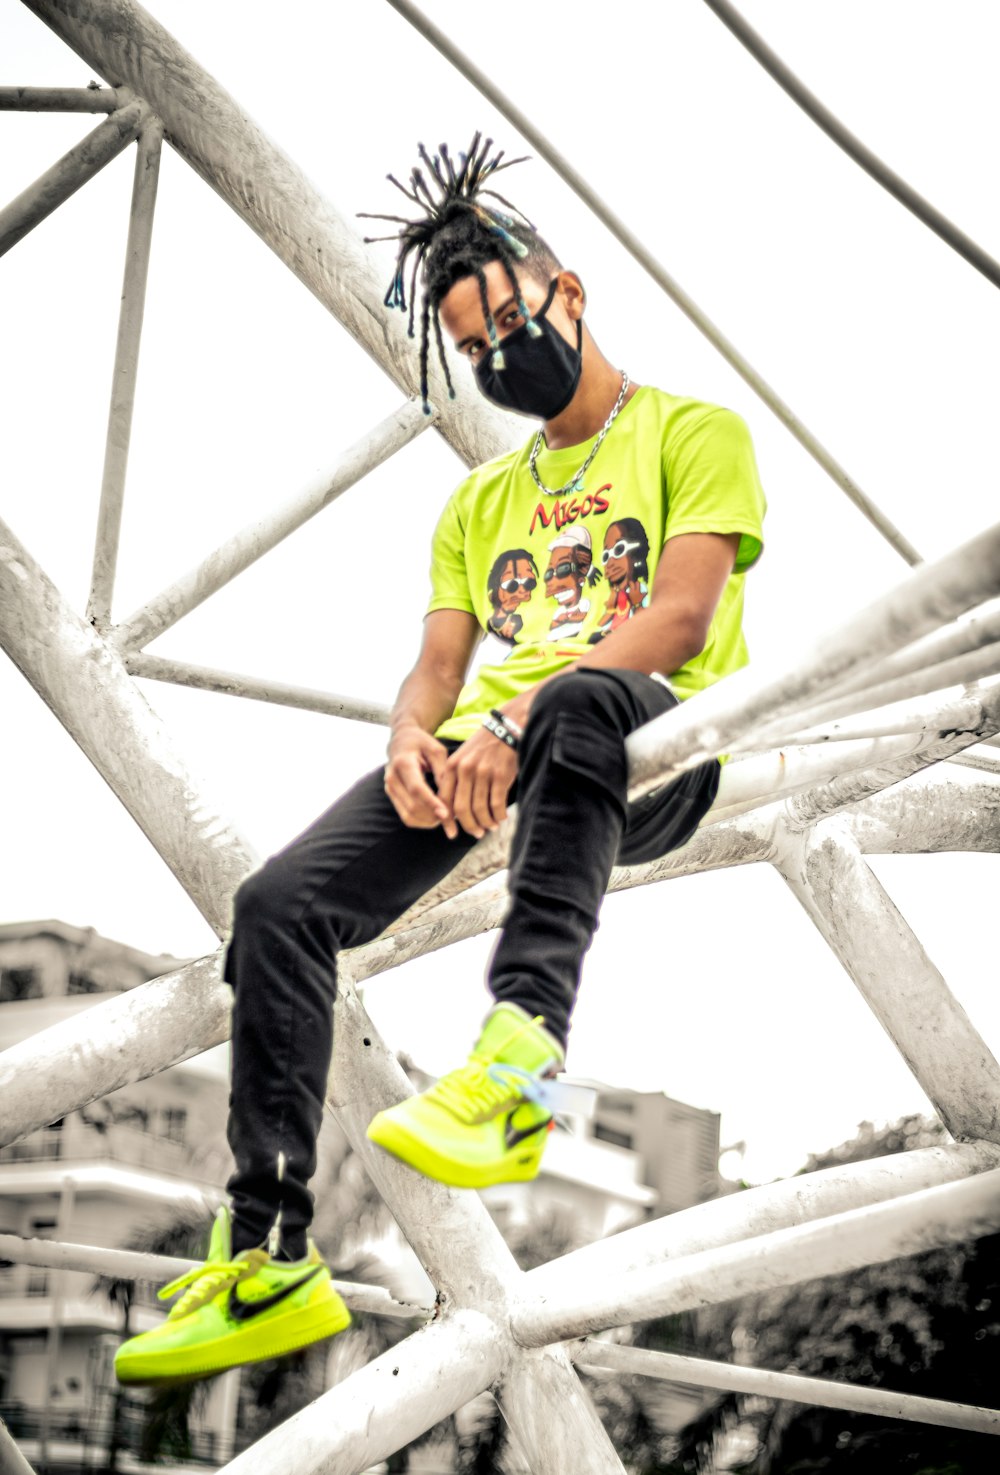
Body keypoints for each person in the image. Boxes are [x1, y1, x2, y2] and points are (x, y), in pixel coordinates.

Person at [114, 135, 766, 1387]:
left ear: (567, 290)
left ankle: (515, 1057)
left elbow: (680, 617)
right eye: (473, 350)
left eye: (508, 323)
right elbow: (438, 662)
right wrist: (417, 737)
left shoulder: (695, 431)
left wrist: (513, 725)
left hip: (654, 740)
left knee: (575, 697)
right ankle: (266, 1253)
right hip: (503, 757)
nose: (498, 358)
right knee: (277, 908)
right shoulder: (479, 505)